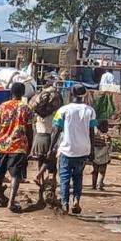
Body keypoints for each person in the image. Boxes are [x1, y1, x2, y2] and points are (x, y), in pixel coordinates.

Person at [0, 83, 31, 212]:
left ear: (11, 92)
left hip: (2, 144)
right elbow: (29, 129)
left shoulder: (2, 106)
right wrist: (29, 145)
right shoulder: (26, 108)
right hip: (19, 145)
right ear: (23, 93)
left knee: (0, 172)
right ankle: (11, 202)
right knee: (16, 175)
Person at [53, 86, 97, 214]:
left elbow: (57, 130)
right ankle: (76, 200)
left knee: (64, 178)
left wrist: (51, 148)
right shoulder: (90, 111)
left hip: (67, 149)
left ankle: (65, 204)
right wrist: (92, 150)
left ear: (71, 94)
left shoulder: (63, 110)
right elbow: (91, 132)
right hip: (83, 149)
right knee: (78, 176)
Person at [90, 120, 112, 190]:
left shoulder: (94, 136)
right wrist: (109, 158)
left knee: (95, 171)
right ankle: (99, 185)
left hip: (95, 157)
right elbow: (109, 148)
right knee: (101, 172)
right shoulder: (107, 137)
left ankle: (94, 185)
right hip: (103, 157)